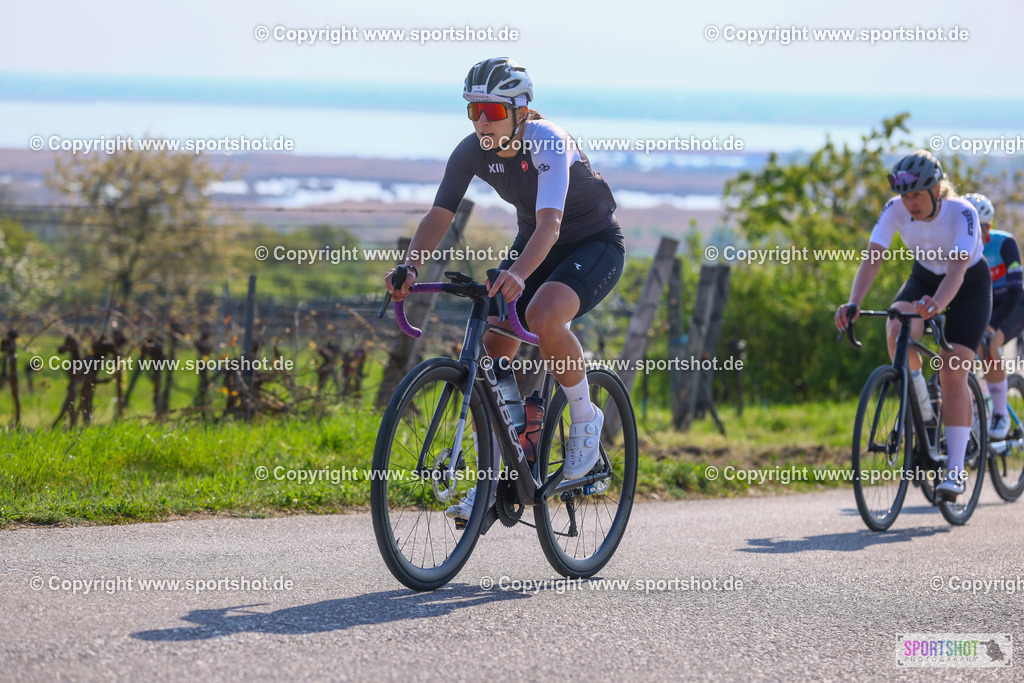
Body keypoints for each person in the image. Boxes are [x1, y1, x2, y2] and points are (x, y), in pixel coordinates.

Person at [384, 58, 626, 520]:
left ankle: (584, 418)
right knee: (492, 344)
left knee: (544, 314)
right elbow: (439, 216)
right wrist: (409, 266)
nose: (480, 121)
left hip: (591, 243)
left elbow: (552, 223)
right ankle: (499, 474)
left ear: (519, 109)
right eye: (473, 110)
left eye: (491, 112)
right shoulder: (470, 151)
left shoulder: (548, 141)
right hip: (533, 242)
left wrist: (517, 275)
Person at [835, 150, 990, 499]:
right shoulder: (895, 209)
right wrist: (854, 302)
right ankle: (922, 407)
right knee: (896, 326)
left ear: (937, 190)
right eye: (905, 195)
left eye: (916, 194)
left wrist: (937, 305)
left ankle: (954, 470)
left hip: (967, 287)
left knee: (953, 370)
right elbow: (873, 257)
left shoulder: (962, 213)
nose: (909, 203)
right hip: (923, 278)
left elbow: (956, 272)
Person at [965, 192, 1024, 439]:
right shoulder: (961, 248)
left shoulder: (1005, 243)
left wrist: (994, 325)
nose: (980, 234)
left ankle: (1000, 416)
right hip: (984, 306)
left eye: (983, 228)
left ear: (989, 226)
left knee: (991, 344)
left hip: (1013, 306)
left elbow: (1016, 291)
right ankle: (977, 411)